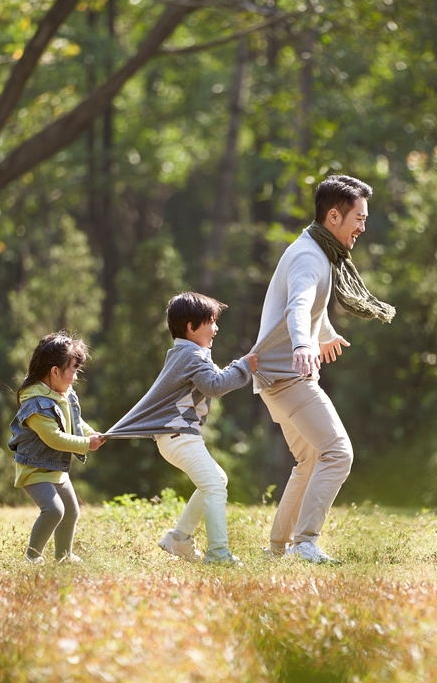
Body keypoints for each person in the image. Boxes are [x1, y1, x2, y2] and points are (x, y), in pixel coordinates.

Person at [253, 174, 395, 564]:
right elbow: (297, 305)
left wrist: (325, 332)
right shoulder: (308, 257)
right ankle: (305, 542)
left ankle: (279, 547)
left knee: (310, 460)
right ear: (334, 216)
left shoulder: (315, 249)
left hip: (273, 377)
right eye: (359, 219)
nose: (363, 228)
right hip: (288, 377)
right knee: (338, 453)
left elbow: (311, 304)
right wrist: (303, 343)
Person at [104, 292, 258, 566]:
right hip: (180, 437)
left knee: (216, 481)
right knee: (215, 488)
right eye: (211, 321)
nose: (216, 328)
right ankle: (219, 553)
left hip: (177, 438)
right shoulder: (191, 355)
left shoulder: (186, 354)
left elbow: (212, 378)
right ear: (191, 326)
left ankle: (179, 539)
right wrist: (243, 367)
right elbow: (215, 385)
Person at [8, 332, 105, 564]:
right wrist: (86, 444)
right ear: (55, 371)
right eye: (73, 369)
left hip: (56, 467)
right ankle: (32, 558)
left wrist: (90, 433)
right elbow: (54, 438)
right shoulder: (35, 403)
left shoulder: (64, 393)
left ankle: (64, 556)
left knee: (71, 512)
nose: (75, 376)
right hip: (35, 469)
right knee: (54, 511)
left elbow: (75, 420)